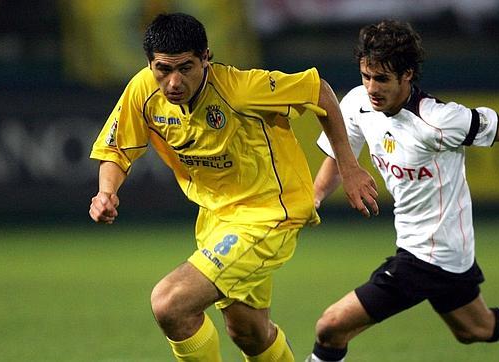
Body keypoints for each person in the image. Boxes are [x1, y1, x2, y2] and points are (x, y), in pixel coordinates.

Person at [307, 20, 499, 362]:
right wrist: (315, 198)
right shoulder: (358, 103)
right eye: (366, 76)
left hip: (429, 255)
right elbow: (340, 152)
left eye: (382, 79)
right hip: (439, 248)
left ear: (407, 75)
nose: (372, 87)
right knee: (474, 328)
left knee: (330, 327)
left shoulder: (438, 121)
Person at [88, 12, 379, 362]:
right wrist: (107, 191)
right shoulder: (143, 90)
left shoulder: (241, 88)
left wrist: (349, 167)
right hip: (216, 218)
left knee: (171, 303)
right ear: (150, 64)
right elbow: (117, 150)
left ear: (206, 58)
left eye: (186, 67)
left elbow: (319, 92)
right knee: (249, 331)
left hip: (269, 214)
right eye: (164, 69)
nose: (174, 81)